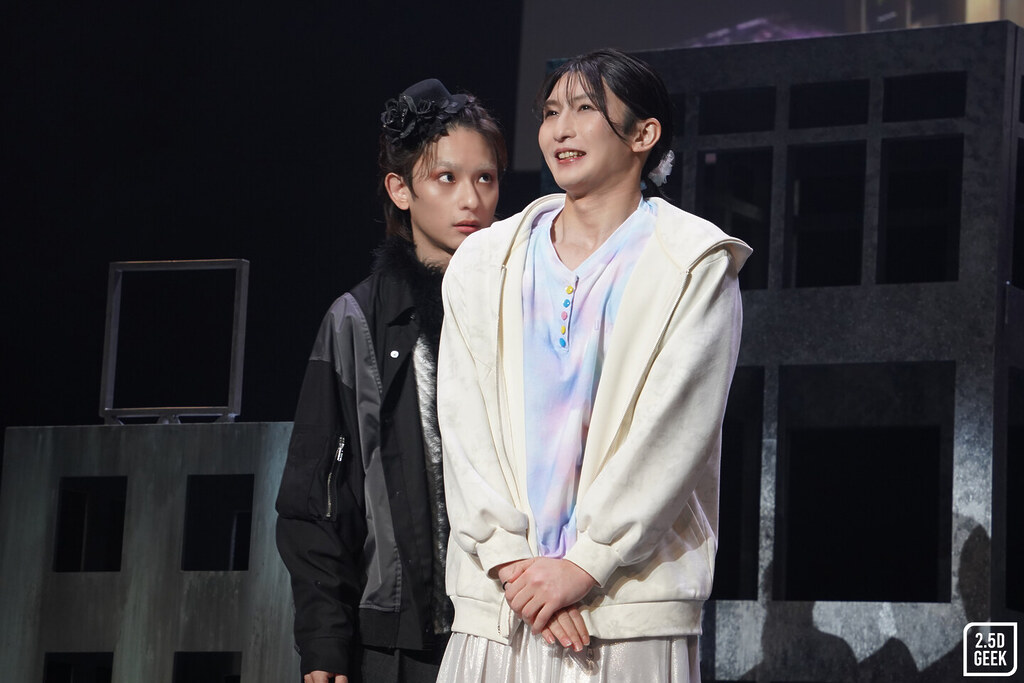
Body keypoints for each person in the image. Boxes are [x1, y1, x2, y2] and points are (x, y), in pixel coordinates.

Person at [435, 49, 751, 681]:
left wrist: (585, 564)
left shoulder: (693, 263)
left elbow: (674, 435)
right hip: (502, 604)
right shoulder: (484, 261)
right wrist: (516, 568)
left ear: (643, 134)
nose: (561, 129)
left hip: (624, 608)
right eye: (551, 112)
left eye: (584, 109)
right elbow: (463, 425)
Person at [276, 78, 506, 683]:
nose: (471, 200)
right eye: (446, 178)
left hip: (512, 628)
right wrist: (324, 642)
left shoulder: (522, 310)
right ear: (400, 190)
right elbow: (316, 499)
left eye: (486, 178)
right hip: (396, 642)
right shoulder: (356, 321)